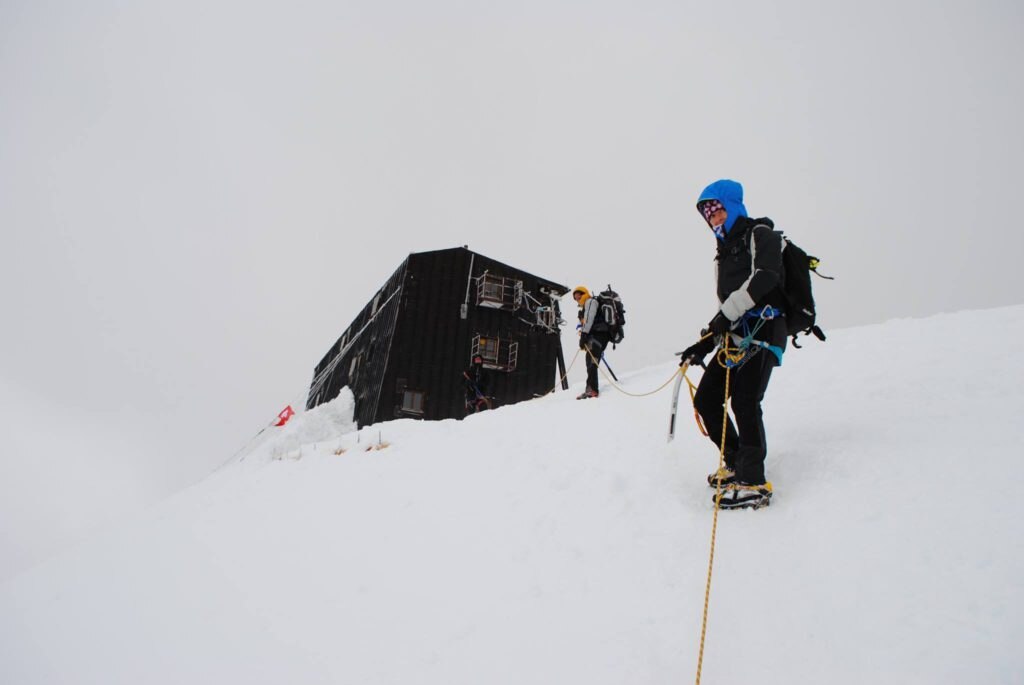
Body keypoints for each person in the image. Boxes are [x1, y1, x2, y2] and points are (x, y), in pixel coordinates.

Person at [679, 179, 787, 510]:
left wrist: (724, 317)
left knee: (744, 400)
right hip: (736, 339)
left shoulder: (761, 235)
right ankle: (736, 461)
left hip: (765, 331)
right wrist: (704, 344)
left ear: (733, 205)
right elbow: (727, 310)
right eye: (708, 214)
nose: (714, 218)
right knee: (706, 399)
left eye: (718, 209)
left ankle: (753, 479)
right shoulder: (722, 255)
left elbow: (766, 276)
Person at [572, 285, 608, 399]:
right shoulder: (586, 306)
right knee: (590, 361)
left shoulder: (590, 302)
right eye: (575, 298)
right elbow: (586, 321)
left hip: (598, 336)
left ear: (584, 293)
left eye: (579, 296)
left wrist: (584, 335)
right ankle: (590, 389)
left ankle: (592, 390)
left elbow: (589, 319)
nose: (578, 299)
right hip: (597, 336)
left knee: (592, 362)